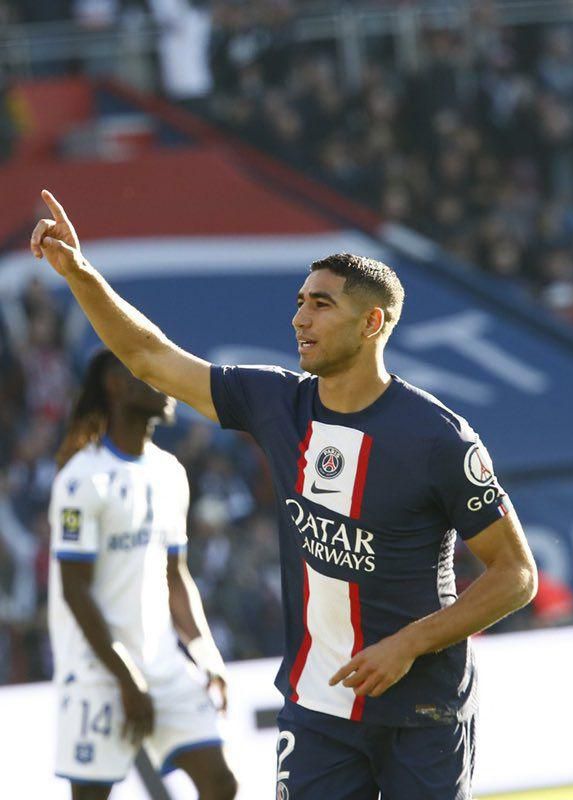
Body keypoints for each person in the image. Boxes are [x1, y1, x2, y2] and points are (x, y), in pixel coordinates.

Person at [33, 190, 537, 800]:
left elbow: (516, 575)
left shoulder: (440, 438)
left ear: (371, 322)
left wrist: (409, 644)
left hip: (423, 711)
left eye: (321, 305)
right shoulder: (275, 402)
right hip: (319, 708)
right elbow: (149, 358)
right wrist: (79, 273)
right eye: (300, 303)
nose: (299, 318)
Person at [47, 347, 237, 800]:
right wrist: (126, 677)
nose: (166, 382)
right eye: (149, 373)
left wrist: (203, 650)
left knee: (220, 783)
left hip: (163, 665)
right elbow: (74, 591)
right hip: (97, 670)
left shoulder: (169, 472)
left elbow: (176, 575)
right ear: (116, 384)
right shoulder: (81, 479)